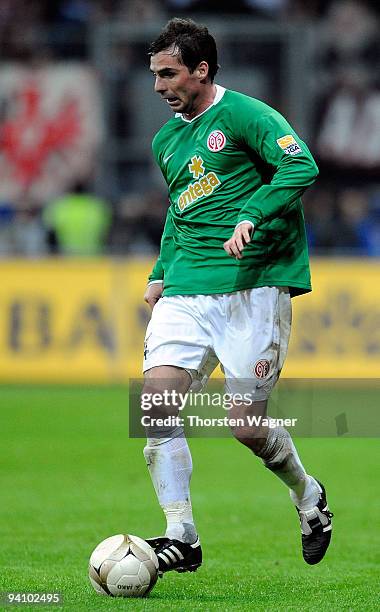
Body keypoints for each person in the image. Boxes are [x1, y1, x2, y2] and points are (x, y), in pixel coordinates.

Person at [141, 17, 333, 575]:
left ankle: (308, 495)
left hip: (254, 282)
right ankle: (182, 535)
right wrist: (160, 272)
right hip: (186, 289)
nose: (158, 86)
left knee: (245, 426)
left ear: (201, 69)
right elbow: (181, 211)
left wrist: (252, 212)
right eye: (154, 74)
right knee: (156, 403)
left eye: (168, 73)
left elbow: (301, 163)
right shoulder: (166, 140)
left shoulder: (246, 114)